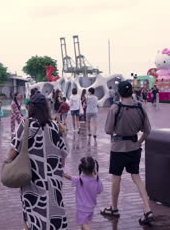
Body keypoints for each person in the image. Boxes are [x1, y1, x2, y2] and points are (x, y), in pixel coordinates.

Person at [7, 93, 68, 230]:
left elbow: (14, 148)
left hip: (32, 177)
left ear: (31, 107)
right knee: (54, 209)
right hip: (53, 178)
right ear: (46, 108)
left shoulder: (26, 123)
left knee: (32, 209)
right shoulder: (54, 126)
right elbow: (63, 152)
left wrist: (7, 162)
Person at [101, 81, 154, 226]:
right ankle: (147, 208)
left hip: (118, 148)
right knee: (136, 177)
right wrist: (139, 142)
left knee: (116, 178)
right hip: (134, 147)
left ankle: (114, 208)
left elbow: (108, 130)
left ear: (119, 93)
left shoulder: (115, 108)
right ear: (132, 92)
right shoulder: (140, 107)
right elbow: (147, 130)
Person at [64, 157, 103, 230]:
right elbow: (99, 191)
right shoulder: (97, 180)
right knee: (85, 222)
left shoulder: (79, 179)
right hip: (91, 207)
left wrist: (63, 165)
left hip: (81, 208)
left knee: (84, 224)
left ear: (81, 169)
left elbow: (67, 176)